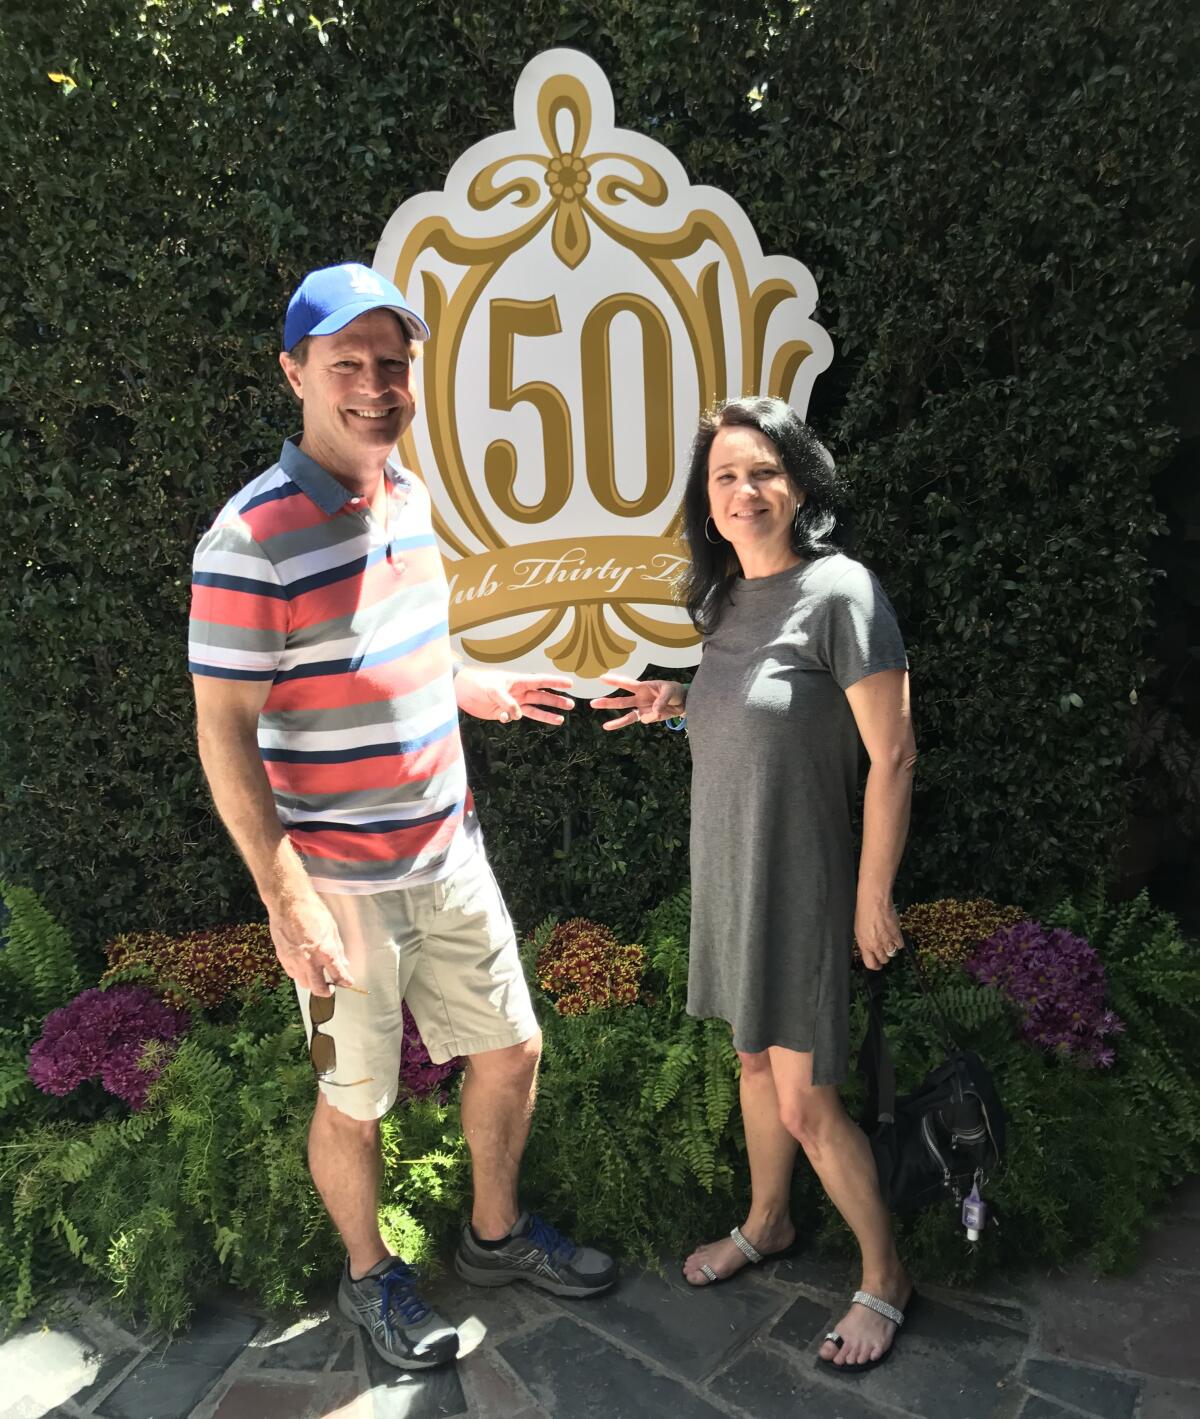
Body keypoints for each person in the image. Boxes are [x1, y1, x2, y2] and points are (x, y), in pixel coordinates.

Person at [188, 262, 615, 1371]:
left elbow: (402, 646)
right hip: (340, 890)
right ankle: (370, 1277)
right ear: (295, 374)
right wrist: (289, 901)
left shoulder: (409, 496)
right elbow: (224, 733)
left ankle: (494, 1236)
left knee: (513, 1051)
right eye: (348, 366)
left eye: (393, 363)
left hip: (450, 850)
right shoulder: (250, 541)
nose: (376, 386)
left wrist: (477, 689)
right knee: (357, 1099)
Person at [591, 395, 916, 1374]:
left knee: (810, 1100)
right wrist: (680, 702)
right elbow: (764, 715)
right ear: (708, 498)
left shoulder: (844, 592)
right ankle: (768, 1221)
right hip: (730, 874)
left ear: (802, 484)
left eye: (763, 471)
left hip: (808, 886)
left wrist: (872, 894)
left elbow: (893, 757)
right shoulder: (728, 599)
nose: (743, 490)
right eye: (725, 476)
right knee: (751, 1066)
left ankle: (886, 1277)